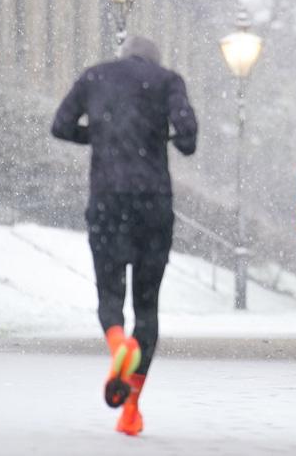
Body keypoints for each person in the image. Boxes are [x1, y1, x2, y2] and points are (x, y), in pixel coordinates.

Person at [51, 35, 197, 436]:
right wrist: (162, 137)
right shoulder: (168, 81)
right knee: (147, 307)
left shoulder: (94, 77)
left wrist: (97, 135)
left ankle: (119, 344)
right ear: (155, 59)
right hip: (153, 204)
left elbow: (60, 126)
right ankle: (131, 408)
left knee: (110, 294)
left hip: (107, 202)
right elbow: (188, 139)